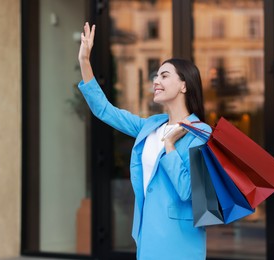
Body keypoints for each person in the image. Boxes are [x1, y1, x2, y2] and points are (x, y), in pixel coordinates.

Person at [78, 22, 211, 260]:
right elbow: (105, 110)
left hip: (179, 240)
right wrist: (85, 61)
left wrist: (170, 146)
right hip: (147, 234)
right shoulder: (151, 126)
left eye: (164, 75)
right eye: (156, 75)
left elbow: (188, 191)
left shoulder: (200, 132)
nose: (155, 80)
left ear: (184, 85)